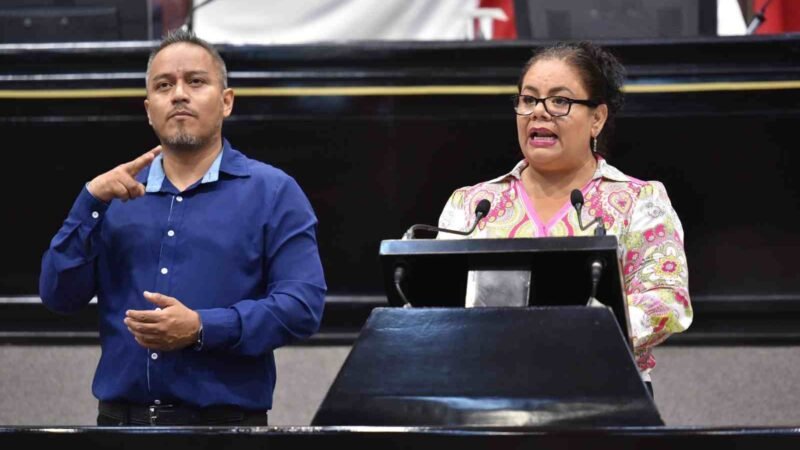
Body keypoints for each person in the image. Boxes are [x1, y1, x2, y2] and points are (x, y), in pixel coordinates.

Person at [39, 29, 326, 425]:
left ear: (226, 102)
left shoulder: (273, 192)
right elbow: (58, 296)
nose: (178, 94)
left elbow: (302, 307)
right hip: (122, 427)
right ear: (148, 108)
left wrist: (202, 328)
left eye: (195, 81)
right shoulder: (111, 198)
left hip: (227, 429)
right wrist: (88, 202)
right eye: (163, 85)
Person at [436, 41, 692, 395]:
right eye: (528, 100)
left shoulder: (640, 200)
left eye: (560, 101)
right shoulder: (471, 204)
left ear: (597, 118)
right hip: (488, 389)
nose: (539, 113)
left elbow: (666, 301)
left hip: (605, 389)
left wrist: (564, 335)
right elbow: (434, 307)